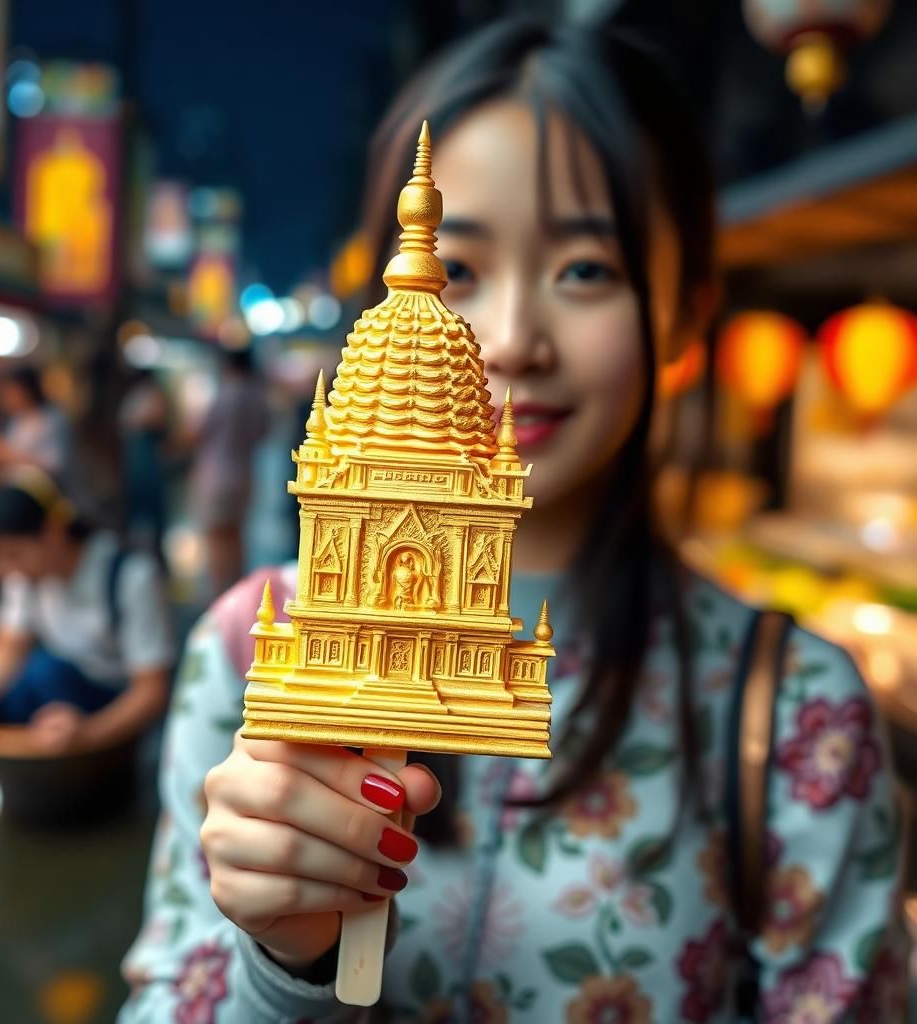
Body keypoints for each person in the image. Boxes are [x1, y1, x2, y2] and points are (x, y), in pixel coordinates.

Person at [119, 18, 907, 1023]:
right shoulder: (246, 653)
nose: (513, 341)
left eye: (585, 269)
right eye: (459, 271)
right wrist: (285, 968)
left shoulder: (793, 713)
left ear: (684, 304)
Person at [0, 467, 174, 757]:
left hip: (111, 697)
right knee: (12, 691)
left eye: (14, 553)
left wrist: (88, 733)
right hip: (60, 686)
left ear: (53, 531)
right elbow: (6, 645)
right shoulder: (25, 577)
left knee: (43, 673)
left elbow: (151, 691)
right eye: (0, 557)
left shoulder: (131, 576)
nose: (7, 568)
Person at [190, 348, 270, 597]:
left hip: (216, 475)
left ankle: (218, 595)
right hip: (244, 473)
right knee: (236, 535)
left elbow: (200, 431)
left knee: (216, 536)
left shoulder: (224, 395)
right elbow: (264, 432)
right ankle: (237, 591)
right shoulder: (257, 397)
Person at [0, 365, 75, 487]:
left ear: (26, 390)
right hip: (18, 489)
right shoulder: (18, 421)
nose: (4, 398)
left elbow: (54, 467)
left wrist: (6, 455)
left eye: (9, 392)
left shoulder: (52, 420)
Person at [119, 368, 170, 559]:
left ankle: (154, 552)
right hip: (136, 459)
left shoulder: (152, 395)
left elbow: (154, 420)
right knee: (139, 507)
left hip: (148, 459)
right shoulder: (137, 396)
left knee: (152, 509)